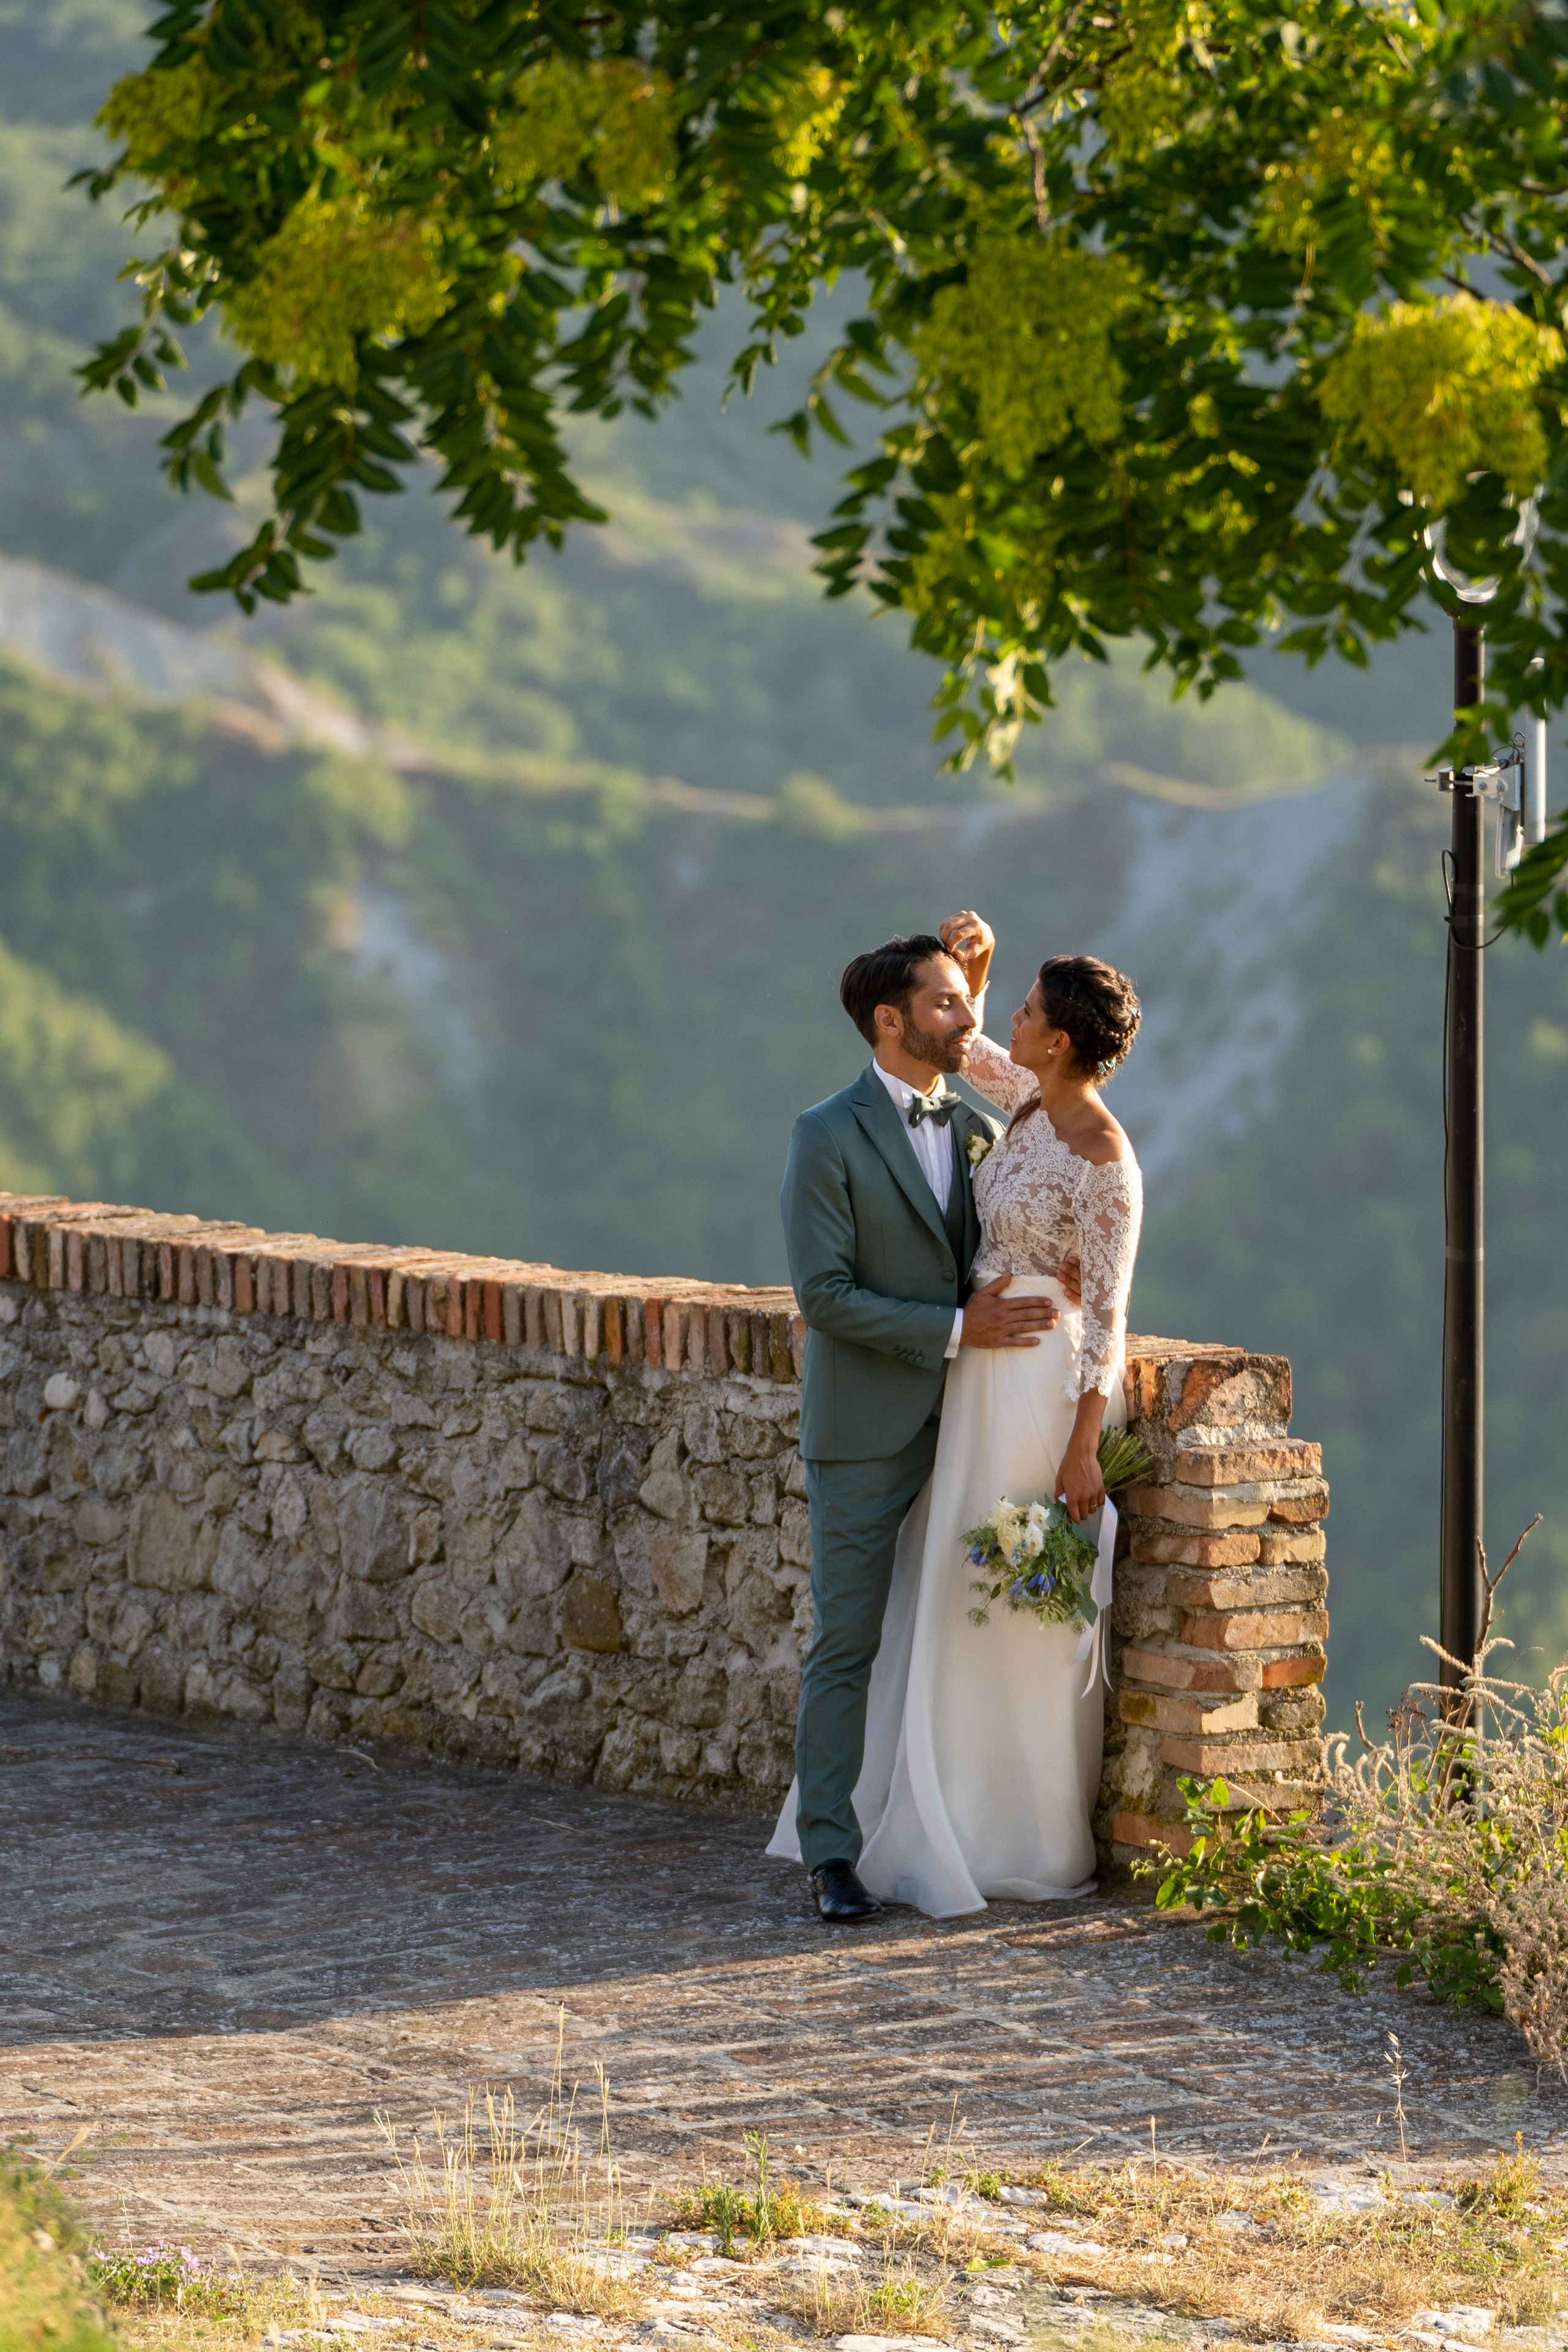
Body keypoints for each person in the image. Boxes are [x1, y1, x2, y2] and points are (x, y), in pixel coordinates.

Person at [769, 913, 1142, 1920]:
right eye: (948, 1002)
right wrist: (955, 1328)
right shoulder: (828, 1133)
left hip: (994, 1409)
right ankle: (833, 1855)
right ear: (890, 1021)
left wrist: (1055, 1331)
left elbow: (1100, 1292)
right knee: (852, 1638)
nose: (977, 1016)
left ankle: (974, 1822)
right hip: (875, 1420)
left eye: (999, 1007)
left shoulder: (996, 1122)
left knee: (968, 1623)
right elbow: (825, 1296)